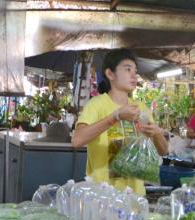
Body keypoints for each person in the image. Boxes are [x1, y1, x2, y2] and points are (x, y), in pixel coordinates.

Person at [72, 49, 169, 195]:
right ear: (110, 74)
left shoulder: (141, 108)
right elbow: (77, 140)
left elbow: (164, 151)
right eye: (127, 69)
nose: (133, 75)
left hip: (135, 198)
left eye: (135, 71)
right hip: (102, 198)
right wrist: (115, 117)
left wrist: (156, 134)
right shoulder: (97, 104)